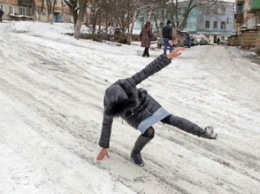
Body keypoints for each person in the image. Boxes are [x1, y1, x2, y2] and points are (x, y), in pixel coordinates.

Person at [97, 47, 217, 166]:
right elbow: (106, 125)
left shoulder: (128, 83)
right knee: (149, 132)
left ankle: (202, 132)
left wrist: (168, 57)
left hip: (144, 102)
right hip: (132, 115)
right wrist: (104, 146)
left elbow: (147, 71)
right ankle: (135, 153)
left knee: (169, 118)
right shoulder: (110, 105)